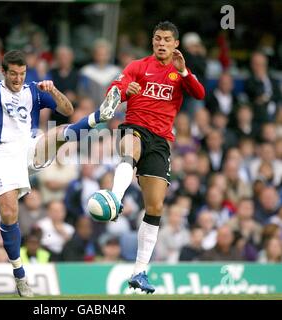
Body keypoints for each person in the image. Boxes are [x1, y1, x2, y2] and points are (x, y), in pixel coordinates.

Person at [0, 35, 114, 297]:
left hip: (29, 147)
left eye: (22, 73)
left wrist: (53, 90)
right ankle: (20, 276)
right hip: (1, 154)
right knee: (8, 214)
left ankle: (99, 116)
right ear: (4, 72)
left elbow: (68, 108)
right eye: (13, 74)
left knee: (60, 131)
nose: (18, 79)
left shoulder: (34, 90)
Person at [97, 21, 205, 293]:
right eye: (157, 38)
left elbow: (199, 94)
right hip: (134, 127)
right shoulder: (137, 66)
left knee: (155, 207)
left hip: (161, 141)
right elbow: (114, 90)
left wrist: (183, 71)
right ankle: (115, 198)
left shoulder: (179, 73)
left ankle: (139, 272)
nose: (161, 43)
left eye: (167, 39)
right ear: (152, 40)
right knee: (129, 149)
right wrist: (125, 91)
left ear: (175, 44)